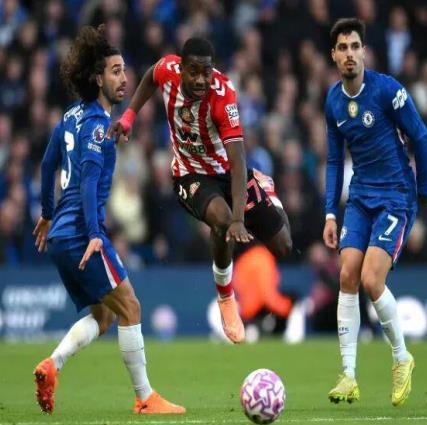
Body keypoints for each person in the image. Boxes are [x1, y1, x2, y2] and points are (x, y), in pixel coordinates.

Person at [32, 25, 185, 416]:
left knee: (102, 317)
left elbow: (48, 165)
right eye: (116, 71)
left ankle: (52, 365)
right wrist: (95, 233)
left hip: (61, 237)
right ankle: (145, 398)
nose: (124, 78)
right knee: (130, 306)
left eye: (124, 70)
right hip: (82, 234)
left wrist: (47, 214)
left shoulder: (70, 116)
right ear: (98, 78)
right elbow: (86, 181)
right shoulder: (99, 125)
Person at [107, 37, 292, 344]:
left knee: (284, 245)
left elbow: (238, 161)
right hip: (190, 174)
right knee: (221, 218)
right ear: (181, 69)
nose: (200, 80)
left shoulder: (223, 95)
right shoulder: (167, 70)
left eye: (206, 72)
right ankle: (226, 297)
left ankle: (266, 190)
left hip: (229, 172)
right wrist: (128, 117)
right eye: (193, 72)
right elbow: (150, 77)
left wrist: (241, 218)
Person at [323, 18, 427, 407]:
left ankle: (402, 358)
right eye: (343, 48)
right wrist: (330, 214)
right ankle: (348, 375)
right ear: (334, 55)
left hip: (395, 195)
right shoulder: (333, 101)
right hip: (359, 198)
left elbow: (420, 136)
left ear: (364, 52)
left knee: (372, 279)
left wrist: (423, 190)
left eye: (355, 46)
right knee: (347, 275)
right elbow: (334, 160)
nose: (350, 54)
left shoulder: (388, 90)